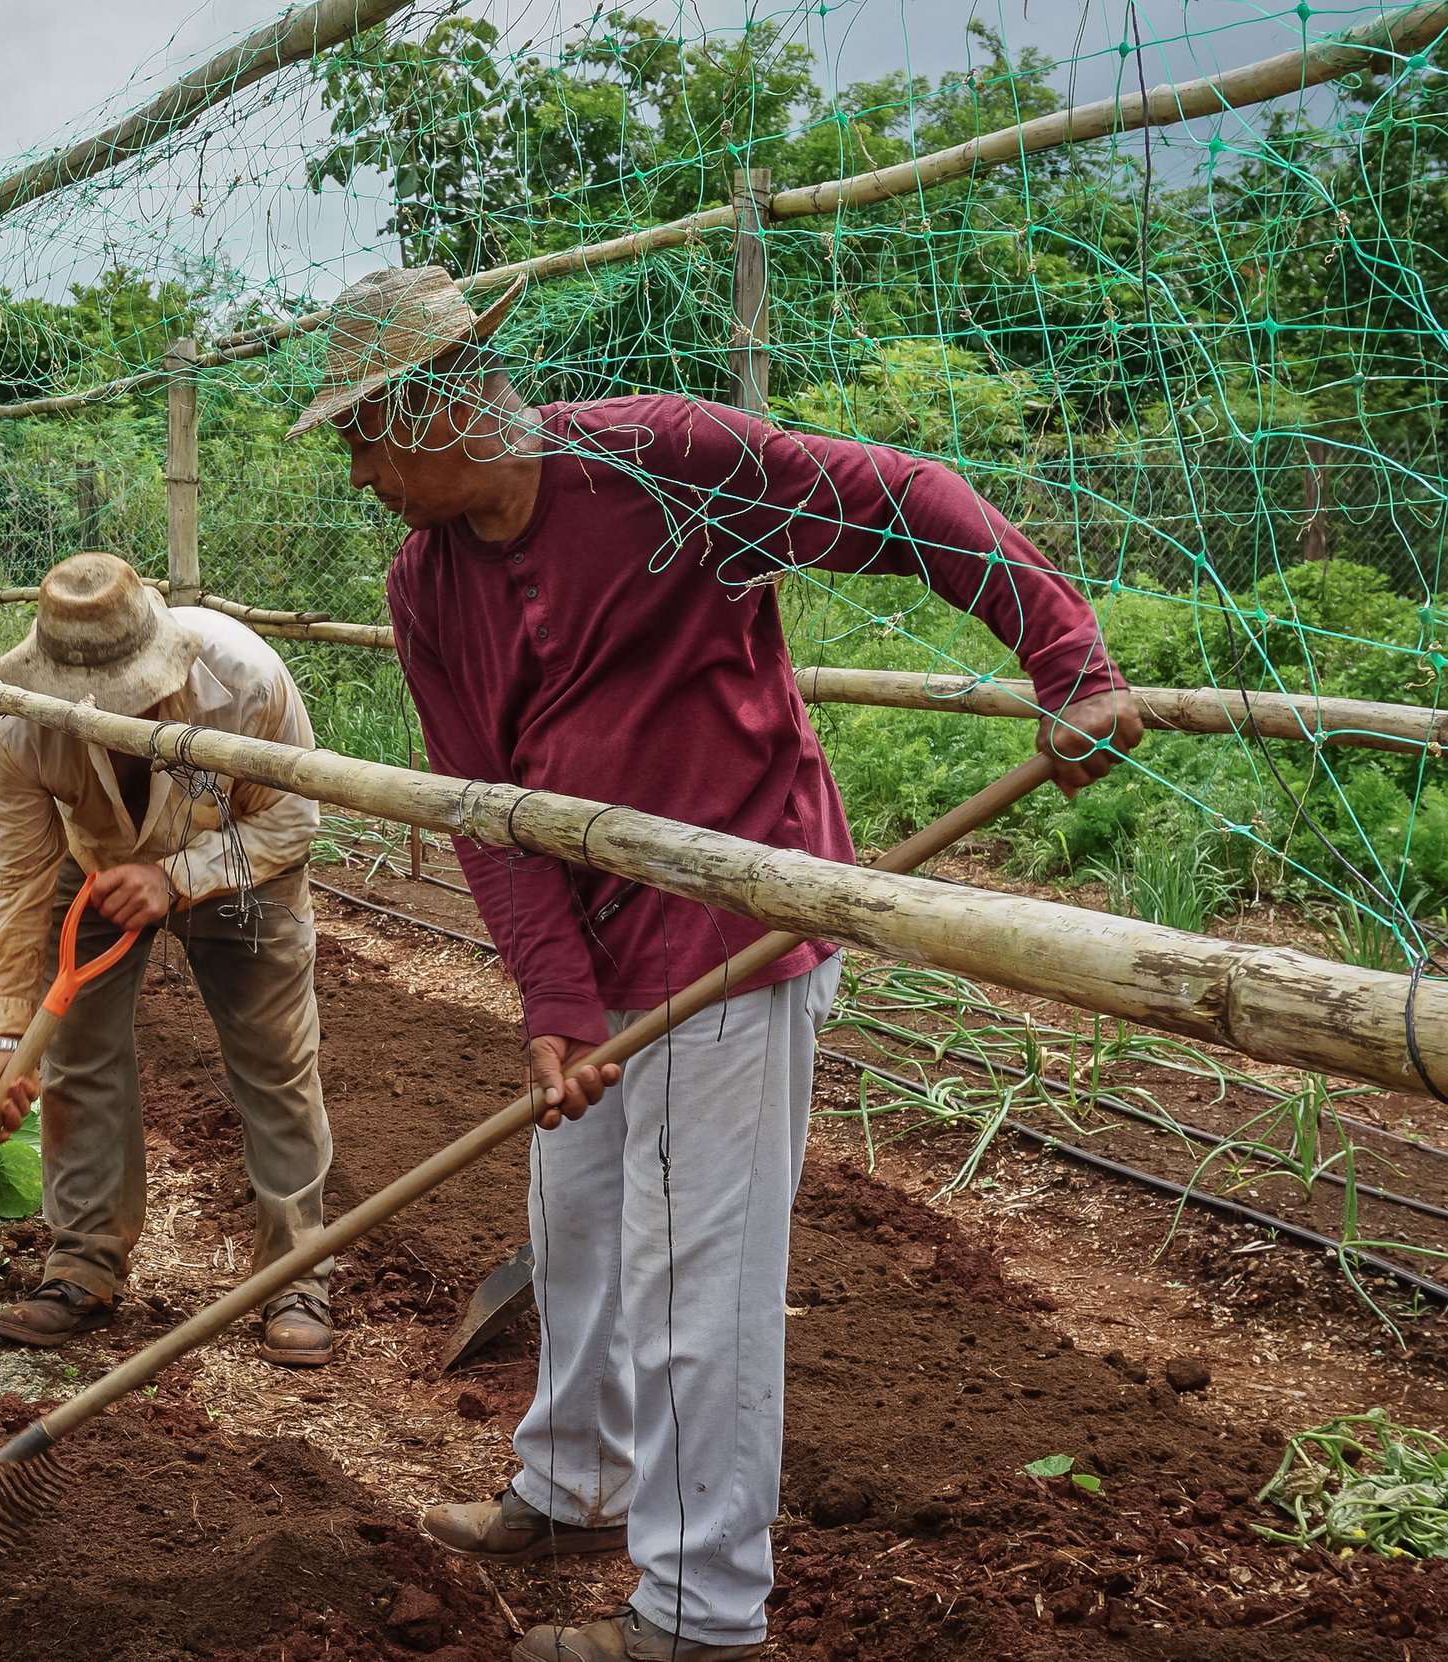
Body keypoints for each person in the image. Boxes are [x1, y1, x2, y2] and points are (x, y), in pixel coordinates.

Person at [288, 266, 1142, 1661]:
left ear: (438, 411)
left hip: (737, 931)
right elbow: (485, 810)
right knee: (574, 1233)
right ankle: (573, 1485)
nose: (362, 472)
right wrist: (556, 1003)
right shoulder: (425, 584)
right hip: (601, 945)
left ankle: (698, 1615)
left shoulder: (661, 462)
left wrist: (1069, 659)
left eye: (363, 436)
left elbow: (905, 498)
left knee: (701, 1289)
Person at [0, 551, 339, 1366]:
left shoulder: (245, 680)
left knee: (274, 1058)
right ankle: (83, 1264)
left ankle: (296, 1271)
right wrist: (2, 1037)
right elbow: (17, 880)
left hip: (241, 858)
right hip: (94, 860)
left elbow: (294, 819)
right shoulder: (18, 722)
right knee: (76, 1053)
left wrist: (176, 878)